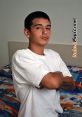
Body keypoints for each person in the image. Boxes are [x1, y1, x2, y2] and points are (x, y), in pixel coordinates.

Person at [12, 11, 75, 117]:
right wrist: (56, 79)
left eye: (48, 28)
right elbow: (53, 83)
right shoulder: (21, 56)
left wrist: (54, 78)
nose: (45, 32)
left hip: (55, 114)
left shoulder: (54, 55)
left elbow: (71, 85)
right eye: (38, 27)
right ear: (27, 32)